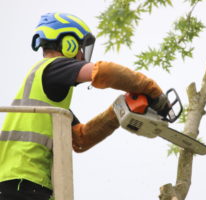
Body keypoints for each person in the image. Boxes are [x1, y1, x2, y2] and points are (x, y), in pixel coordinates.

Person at [0, 12, 168, 200]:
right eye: (81, 48)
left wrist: (118, 111)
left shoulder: (47, 99)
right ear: (69, 44)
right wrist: (151, 89)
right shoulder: (53, 67)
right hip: (25, 182)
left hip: (21, 183)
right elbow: (104, 71)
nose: (82, 55)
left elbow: (80, 139)